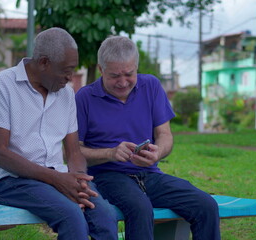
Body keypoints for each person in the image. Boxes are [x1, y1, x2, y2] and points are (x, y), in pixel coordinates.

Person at [0, 27, 117, 240]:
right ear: (43, 62)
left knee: (105, 216)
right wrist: (57, 180)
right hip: (14, 182)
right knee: (71, 216)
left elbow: (73, 151)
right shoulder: (2, 85)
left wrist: (78, 181)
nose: (70, 78)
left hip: (59, 176)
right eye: (66, 70)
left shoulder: (67, 95)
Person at [76, 36, 221, 240]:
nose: (123, 82)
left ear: (136, 66)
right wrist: (111, 153)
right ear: (101, 70)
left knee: (206, 205)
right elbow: (72, 152)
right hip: (107, 176)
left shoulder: (151, 85)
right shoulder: (84, 98)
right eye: (115, 76)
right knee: (140, 209)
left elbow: (165, 135)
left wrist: (157, 152)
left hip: (150, 174)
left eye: (129, 74)